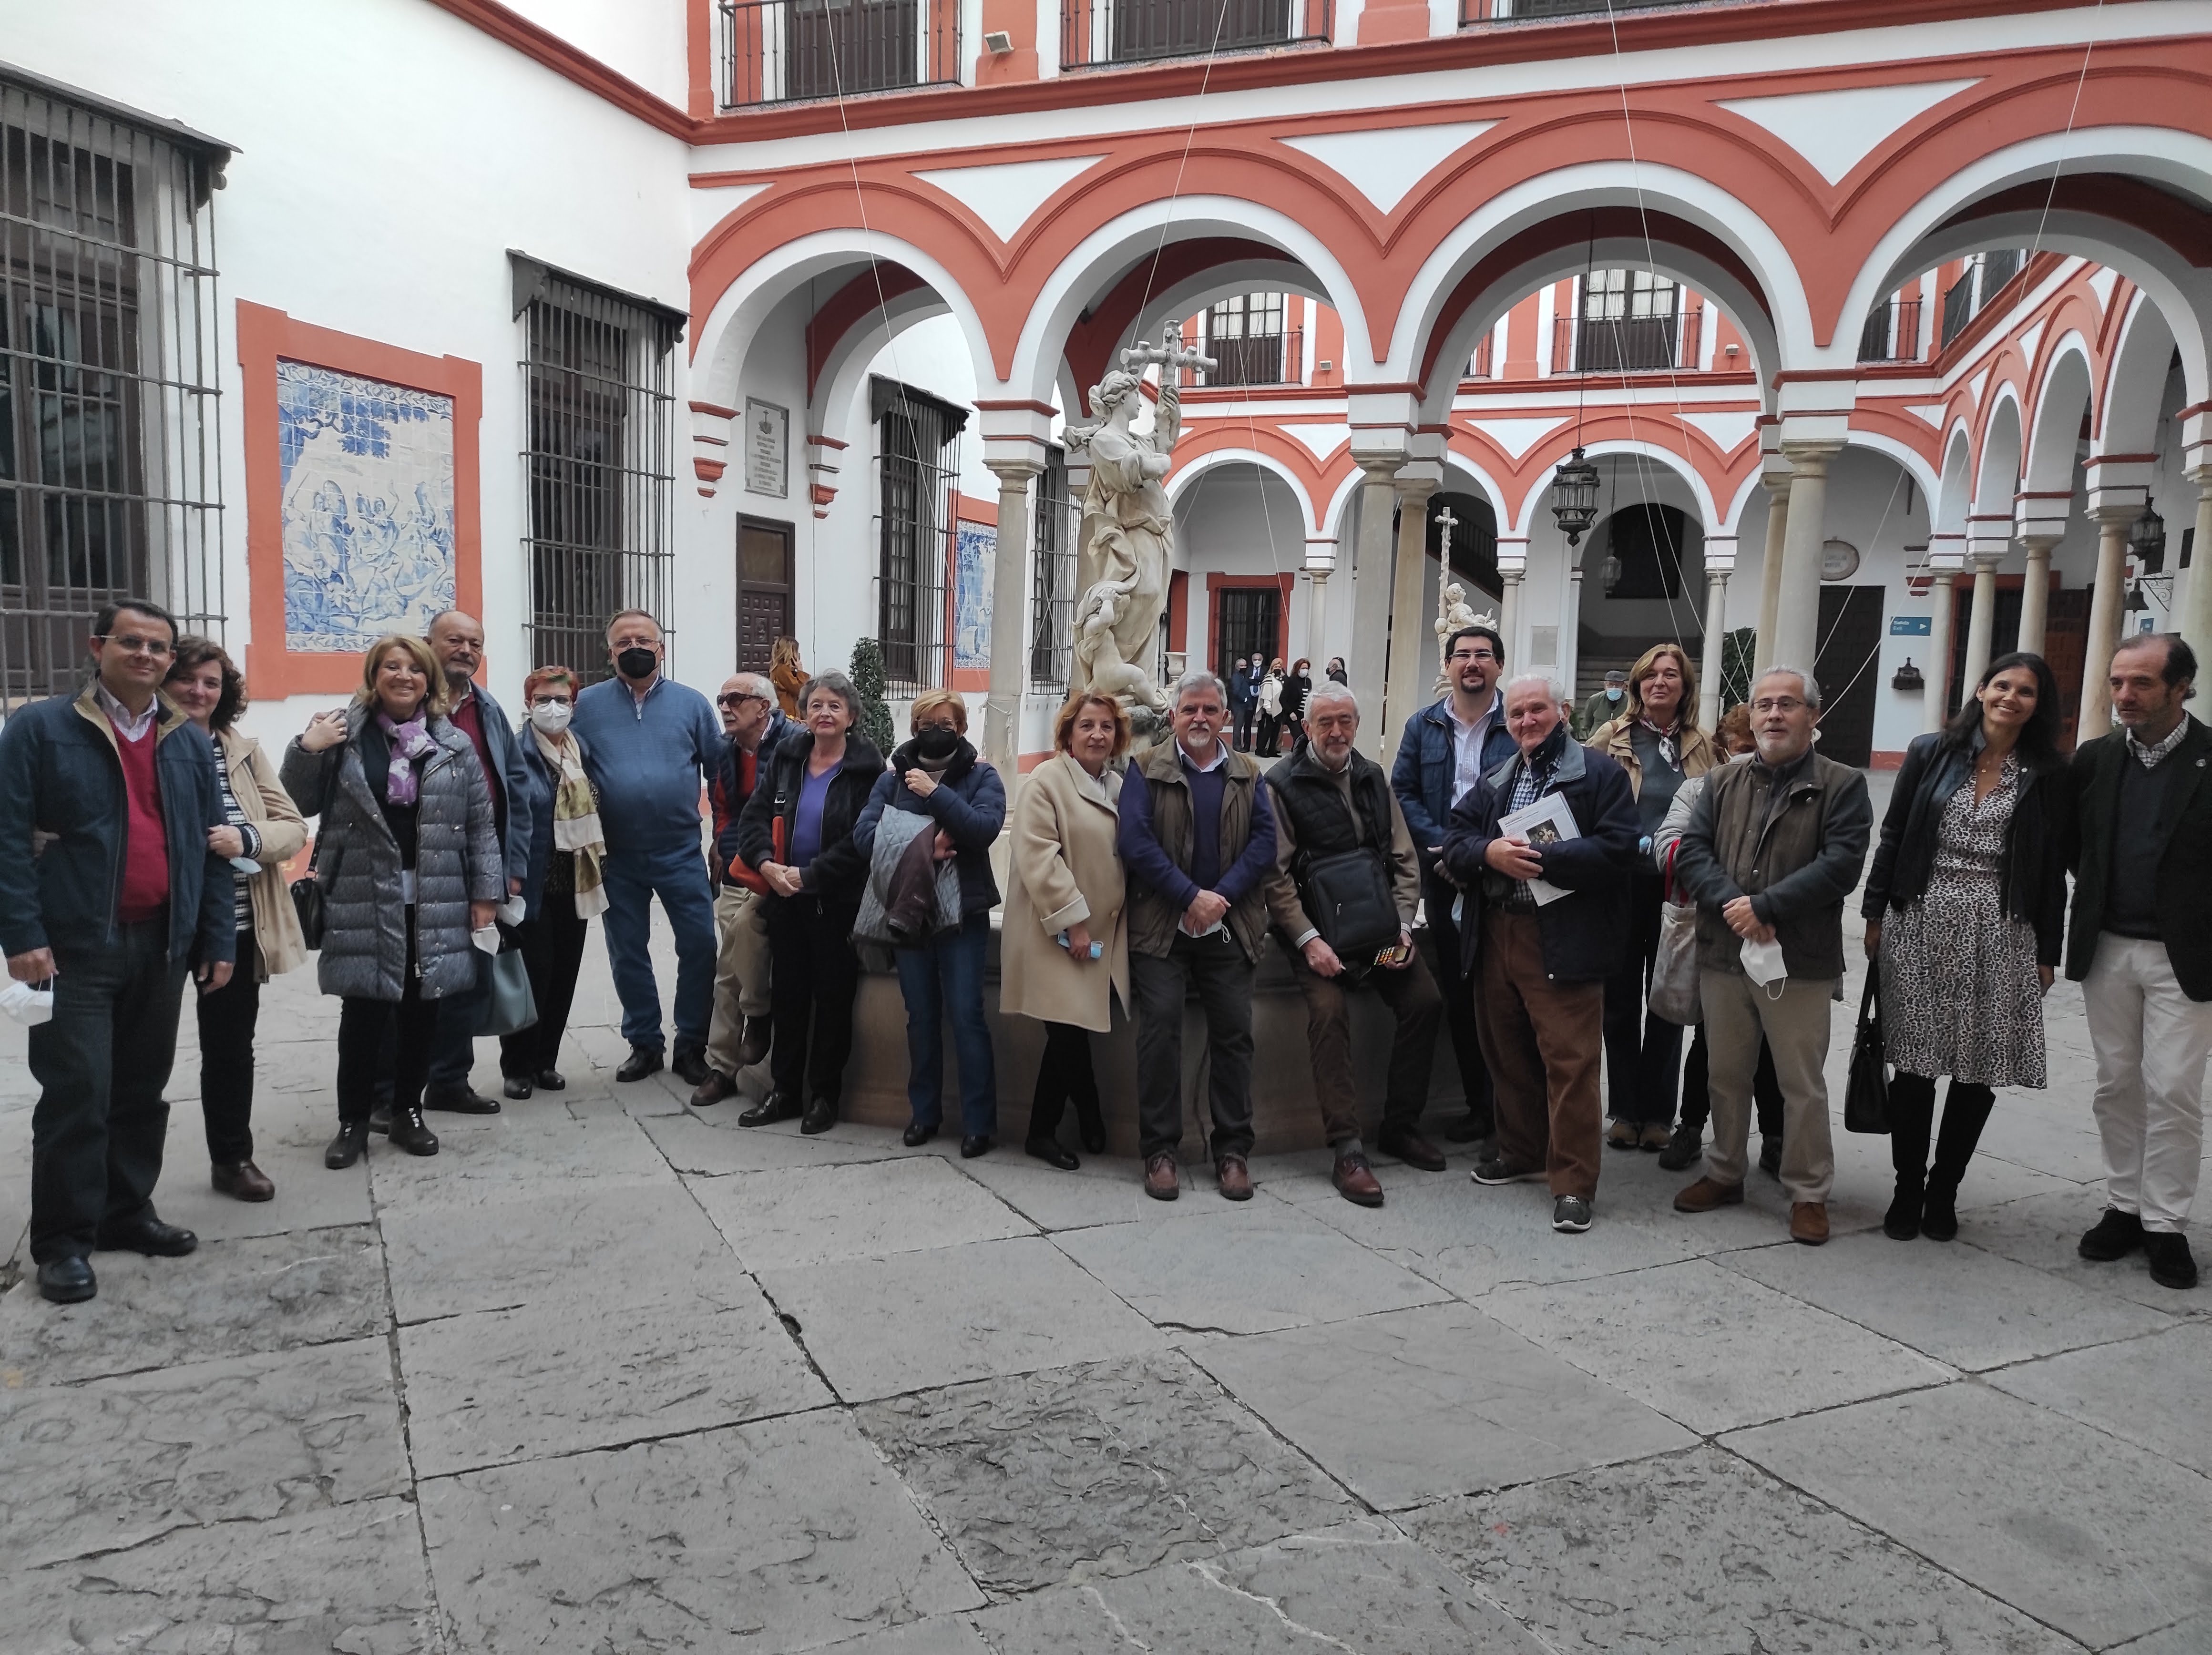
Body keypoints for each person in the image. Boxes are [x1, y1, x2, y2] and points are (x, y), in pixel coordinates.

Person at [0, 600, 233, 1304]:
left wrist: (217, 936)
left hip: (162, 944)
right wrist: (23, 936)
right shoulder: (41, 728)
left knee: (140, 1089)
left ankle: (125, 1213)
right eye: (130, 642)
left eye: (158, 647)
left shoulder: (188, 740)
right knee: (78, 1094)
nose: (146, 656)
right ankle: (64, 1241)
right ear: (97, 646)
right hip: (74, 949)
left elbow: (212, 846)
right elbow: (8, 837)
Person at [1864, 652, 2069, 1243]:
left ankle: (1943, 1191)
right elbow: (1894, 834)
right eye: (2001, 685)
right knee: (1914, 1063)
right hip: (1920, 918)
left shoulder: (2047, 773)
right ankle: (1907, 1188)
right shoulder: (1930, 751)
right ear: (1979, 691)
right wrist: (1874, 910)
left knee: (1977, 1068)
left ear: (2037, 705)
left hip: (2001, 929)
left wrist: (2045, 951)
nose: (2011, 697)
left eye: (2025, 691)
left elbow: (2051, 867)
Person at [282, 634, 503, 1171]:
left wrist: (485, 895)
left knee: (423, 1009)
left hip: (436, 893)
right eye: (391, 667)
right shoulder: (343, 735)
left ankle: (407, 1111)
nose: (404, 676)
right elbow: (298, 800)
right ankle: (353, 1121)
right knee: (362, 1011)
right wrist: (306, 747)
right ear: (374, 675)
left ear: (429, 680)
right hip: (362, 892)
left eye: (414, 669)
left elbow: (479, 823)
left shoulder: (452, 745)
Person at [1672, 665, 1872, 1246]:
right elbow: (1692, 852)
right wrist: (1734, 903)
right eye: (1763, 705)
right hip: (1725, 952)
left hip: (1798, 959)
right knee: (1725, 1072)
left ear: (1813, 715)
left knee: (1799, 1080)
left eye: (1787, 704)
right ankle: (1723, 1171)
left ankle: (1807, 1191)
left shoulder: (1841, 784)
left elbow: (1840, 865)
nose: (1773, 715)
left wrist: (1765, 906)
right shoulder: (1722, 782)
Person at [1440, 674, 1640, 1235]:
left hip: (1564, 933)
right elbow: (1454, 839)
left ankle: (1574, 1183)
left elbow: (1621, 847)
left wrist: (1542, 858)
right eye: (1517, 714)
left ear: (1563, 711)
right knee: (1505, 1052)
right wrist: (1489, 852)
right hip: (1498, 931)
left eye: (1537, 711)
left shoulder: (1598, 773)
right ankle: (1522, 1150)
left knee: (1570, 1063)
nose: (1526, 721)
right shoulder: (1498, 775)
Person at [2067, 633, 2212, 1291]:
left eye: (2142, 684)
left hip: (2185, 955)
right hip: (2109, 948)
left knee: (2175, 1091)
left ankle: (2167, 1223)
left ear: (2183, 687)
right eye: (2118, 682)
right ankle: (2124, 1206)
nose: (2124, 695)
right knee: (2116, 1083)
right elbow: (2077, 846)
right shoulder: (2095, 759)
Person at [1263, 684, 1444, 1206]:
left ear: (1356, 725)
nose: (1336, 731)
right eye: (1325, 722)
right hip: (1320, 944)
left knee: (1422, 1001)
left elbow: (1404, 857)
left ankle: (1401, 1125)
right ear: (1307, 728)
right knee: (1328, 1013)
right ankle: (1347, 1148)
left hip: (1378, 942)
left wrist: (1403, 926)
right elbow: (1274, 878)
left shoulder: (1371, 777)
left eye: (1345, 721)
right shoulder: (1280, 785)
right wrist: (1308, 940)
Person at [1118, 669, 1279, 1201]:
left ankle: (1232, 1151)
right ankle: (1159, 1151)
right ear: (1173, 716)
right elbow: (1136, 843)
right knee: (1159, 1028)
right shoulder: (1144, 769)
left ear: (1226, 718)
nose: (1199, 719)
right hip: (1163, 926)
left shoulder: (1250, 774)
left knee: (1234, 1032)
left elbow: (1263, 846)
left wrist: (1218, 900)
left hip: (1227, 925)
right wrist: (1190, 897)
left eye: (1210, 710)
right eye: (1190, 710)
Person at [164, 637, 308, 1202]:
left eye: (211, 683)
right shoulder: (145, 745)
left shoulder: (240, 749)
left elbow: (292, 825)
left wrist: (244, 836)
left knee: (229, 1048)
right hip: (163, 921)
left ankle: (232, 1157)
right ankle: (119, 1179)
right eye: (187, 680)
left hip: (241, 922)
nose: (199, 691)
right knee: (138, 1053)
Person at [569, 610, 723, 1085]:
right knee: (627, 950)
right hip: (616, 854)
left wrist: (721, 838)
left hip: (679, 849)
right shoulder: (586, 705)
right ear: (610, 650)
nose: (634, 647)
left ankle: (692, 1043)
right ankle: (644, 1043)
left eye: (644, 639)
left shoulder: (692, 704)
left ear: (662, 648)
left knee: (698, 945)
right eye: (623, 641)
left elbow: (718, 774)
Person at [735, 671, 886, 1134]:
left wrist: (811, 875)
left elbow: (864, 838)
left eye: (834, 706)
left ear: (851, 717)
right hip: (784, 898)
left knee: (833, 1000)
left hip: (834, 901)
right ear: (803, 715)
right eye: (816, 705)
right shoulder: (786, 757)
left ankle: (824, 1096)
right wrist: (765, 865)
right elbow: (755, 815)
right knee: (789, 996)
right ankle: (783, 1092)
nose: (824, 713)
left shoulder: (867, 770)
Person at [857, 690, 1007, 1155]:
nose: (935, 729)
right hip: (908, 915)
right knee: (920, 1018)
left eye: (945, 721)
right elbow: (864, 836)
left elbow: (983, 828)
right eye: (926, 723)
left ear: (961, 727)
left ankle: (979, 1124)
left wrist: (934, 793)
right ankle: (924, 1114)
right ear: (913, 728)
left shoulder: (981, 775)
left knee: (967, 1017)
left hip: (962, 915)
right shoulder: (892, 778)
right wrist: (926, 844)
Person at [1585, 644, 1718, 1153]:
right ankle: (1623, 1108)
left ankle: (1659, 1113)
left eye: (1669, 675)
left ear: (1684, 687)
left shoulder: (1703, 744)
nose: (1658, 682)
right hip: (1620, 885)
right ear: (1637, 685)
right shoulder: (1609, 737)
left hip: (1676, 890)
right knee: (1618, 1002)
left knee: (1667, 998)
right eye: (1649, 675)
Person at [1392, 623, 1517, 1146]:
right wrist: (1448, 849)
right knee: (1461, 993)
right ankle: (1477, 1106)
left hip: (1504, 879)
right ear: (1446, 666)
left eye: (1482, 655)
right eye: (1461, 655)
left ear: (1497, 666)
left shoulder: (1519, 723)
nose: (1471, 663)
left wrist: (1478, 855)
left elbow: (1529, 798)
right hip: (1443, 877)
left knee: (1510, 995)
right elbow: (1403, 791)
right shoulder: (1422, 726)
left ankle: (1514, 1112)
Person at [1653, 703, 1785, 1173]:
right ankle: (1691, 1127)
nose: (1749, 756)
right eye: (1742, 748)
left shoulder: (1796, 788)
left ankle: (1775, 1136)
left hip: (1775, 933)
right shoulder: (1699, 789)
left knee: (1772, 1043)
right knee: (1710, 1041)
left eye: (1756, 747)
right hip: (1714, 931)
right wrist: (1725, 887)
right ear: (1725, 747)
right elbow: (1670, 844)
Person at [1003, 693, 1132, 1169]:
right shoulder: (1046, 781)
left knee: (1071, 1030)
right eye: (1087, 726)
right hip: (1056, 933)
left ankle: (1068, 1124)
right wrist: (1074, 921)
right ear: (1067, 734)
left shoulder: (1117, 785)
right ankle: (1068, 1123)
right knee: (1066, 1032)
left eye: (1105, 726)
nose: (1097, 734)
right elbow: (1039, 855)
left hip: (1099, 934)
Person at [421, 610, 534, 1114]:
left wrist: (511, 867)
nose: (465, 649)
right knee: (412, 982)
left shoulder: (487, 709)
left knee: (470, 977)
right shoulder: (404, 703)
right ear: (429, 643)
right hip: (423, 864)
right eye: (454, 640)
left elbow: (517, 789)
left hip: (481, 864)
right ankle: (386, 1091)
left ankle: (448, 1081)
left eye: (475, 643)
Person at [498, 666, 608, 1100]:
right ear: (528, 703)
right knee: (532, 975)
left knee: (564, 974)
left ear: (574, 705)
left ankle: (546, 1061)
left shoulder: (583, 750)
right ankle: (518, 1065)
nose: (553, 707)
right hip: (532, 883)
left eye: (562, 700)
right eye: (544, 699)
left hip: (575, 882)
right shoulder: (516, 752)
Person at [692, 672, 790, 1106]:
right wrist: (727, 851)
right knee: (729, 967)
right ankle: (725, 1064)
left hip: (783, 869)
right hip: (738, 869)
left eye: (736, 699)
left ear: (764, 708)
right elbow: (722, 808)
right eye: (721, 700)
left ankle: (726, 1060)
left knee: (733, 960)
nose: (726, 708)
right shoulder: (723, 750)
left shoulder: (795, 745)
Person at [1572, 669, 1630, 741]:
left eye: (1618, 685)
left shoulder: (1631, 701)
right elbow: (1587, 724)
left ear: (1624, 687)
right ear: (1605, 685)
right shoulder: (1594, 700)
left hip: (1620, 742)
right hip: (1597, 742)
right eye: (1611, 684)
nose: (1614, 688)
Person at [1228, 653, 1261, 752]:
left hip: (1246, 706)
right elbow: (1236, 691)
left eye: (1246, 665)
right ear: (1237, 667)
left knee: (1245, 725)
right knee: (1238, 726)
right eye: (1242, 666)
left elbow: (1253, 682)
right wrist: (1245, 699)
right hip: (1239, 706)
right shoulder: (1236, 677)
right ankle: (1237, 745)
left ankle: (1241, 745)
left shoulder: (1243, 677)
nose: (1244, 667)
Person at [769, 636, 807, 719]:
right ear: (791, 653)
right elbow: (801, 691)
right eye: (797, 651)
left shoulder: (780, 669)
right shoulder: (783, 670)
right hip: (789, 716)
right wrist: (801, 672)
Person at [1255, 658, 1287, 756]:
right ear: (1272, 668)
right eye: (1276, 667)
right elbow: (1266, 693)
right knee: (1267, 731)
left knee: (1276, 731)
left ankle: (1272, 750)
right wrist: (1268, 707)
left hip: (1279, 708)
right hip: (1270, 708)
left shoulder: (1280, 679)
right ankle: (1261, 749)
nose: (1278, 668)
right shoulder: (1269, 678)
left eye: (1280, 667)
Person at [1282, 658, 1312, 755]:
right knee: (1298, 736)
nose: (1305, 670)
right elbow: (1282, 699)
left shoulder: (1308, 682)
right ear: (1298, 669)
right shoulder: (1291, 681)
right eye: (1303, 668)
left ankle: (1300, 755)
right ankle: (1296, 755)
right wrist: (1290, 712)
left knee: (1305, 736)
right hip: (1293, 715)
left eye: (1307, 668)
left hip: (1304, 715)